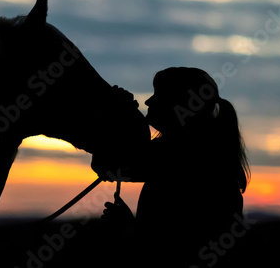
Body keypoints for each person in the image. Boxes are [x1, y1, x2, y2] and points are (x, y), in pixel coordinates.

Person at [103, 67, 251, 267]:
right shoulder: (198, 158)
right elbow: (111, 164)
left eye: (159, 95)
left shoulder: (190, 164)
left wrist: (129, 231)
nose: (148, 101)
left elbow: (176, 250)